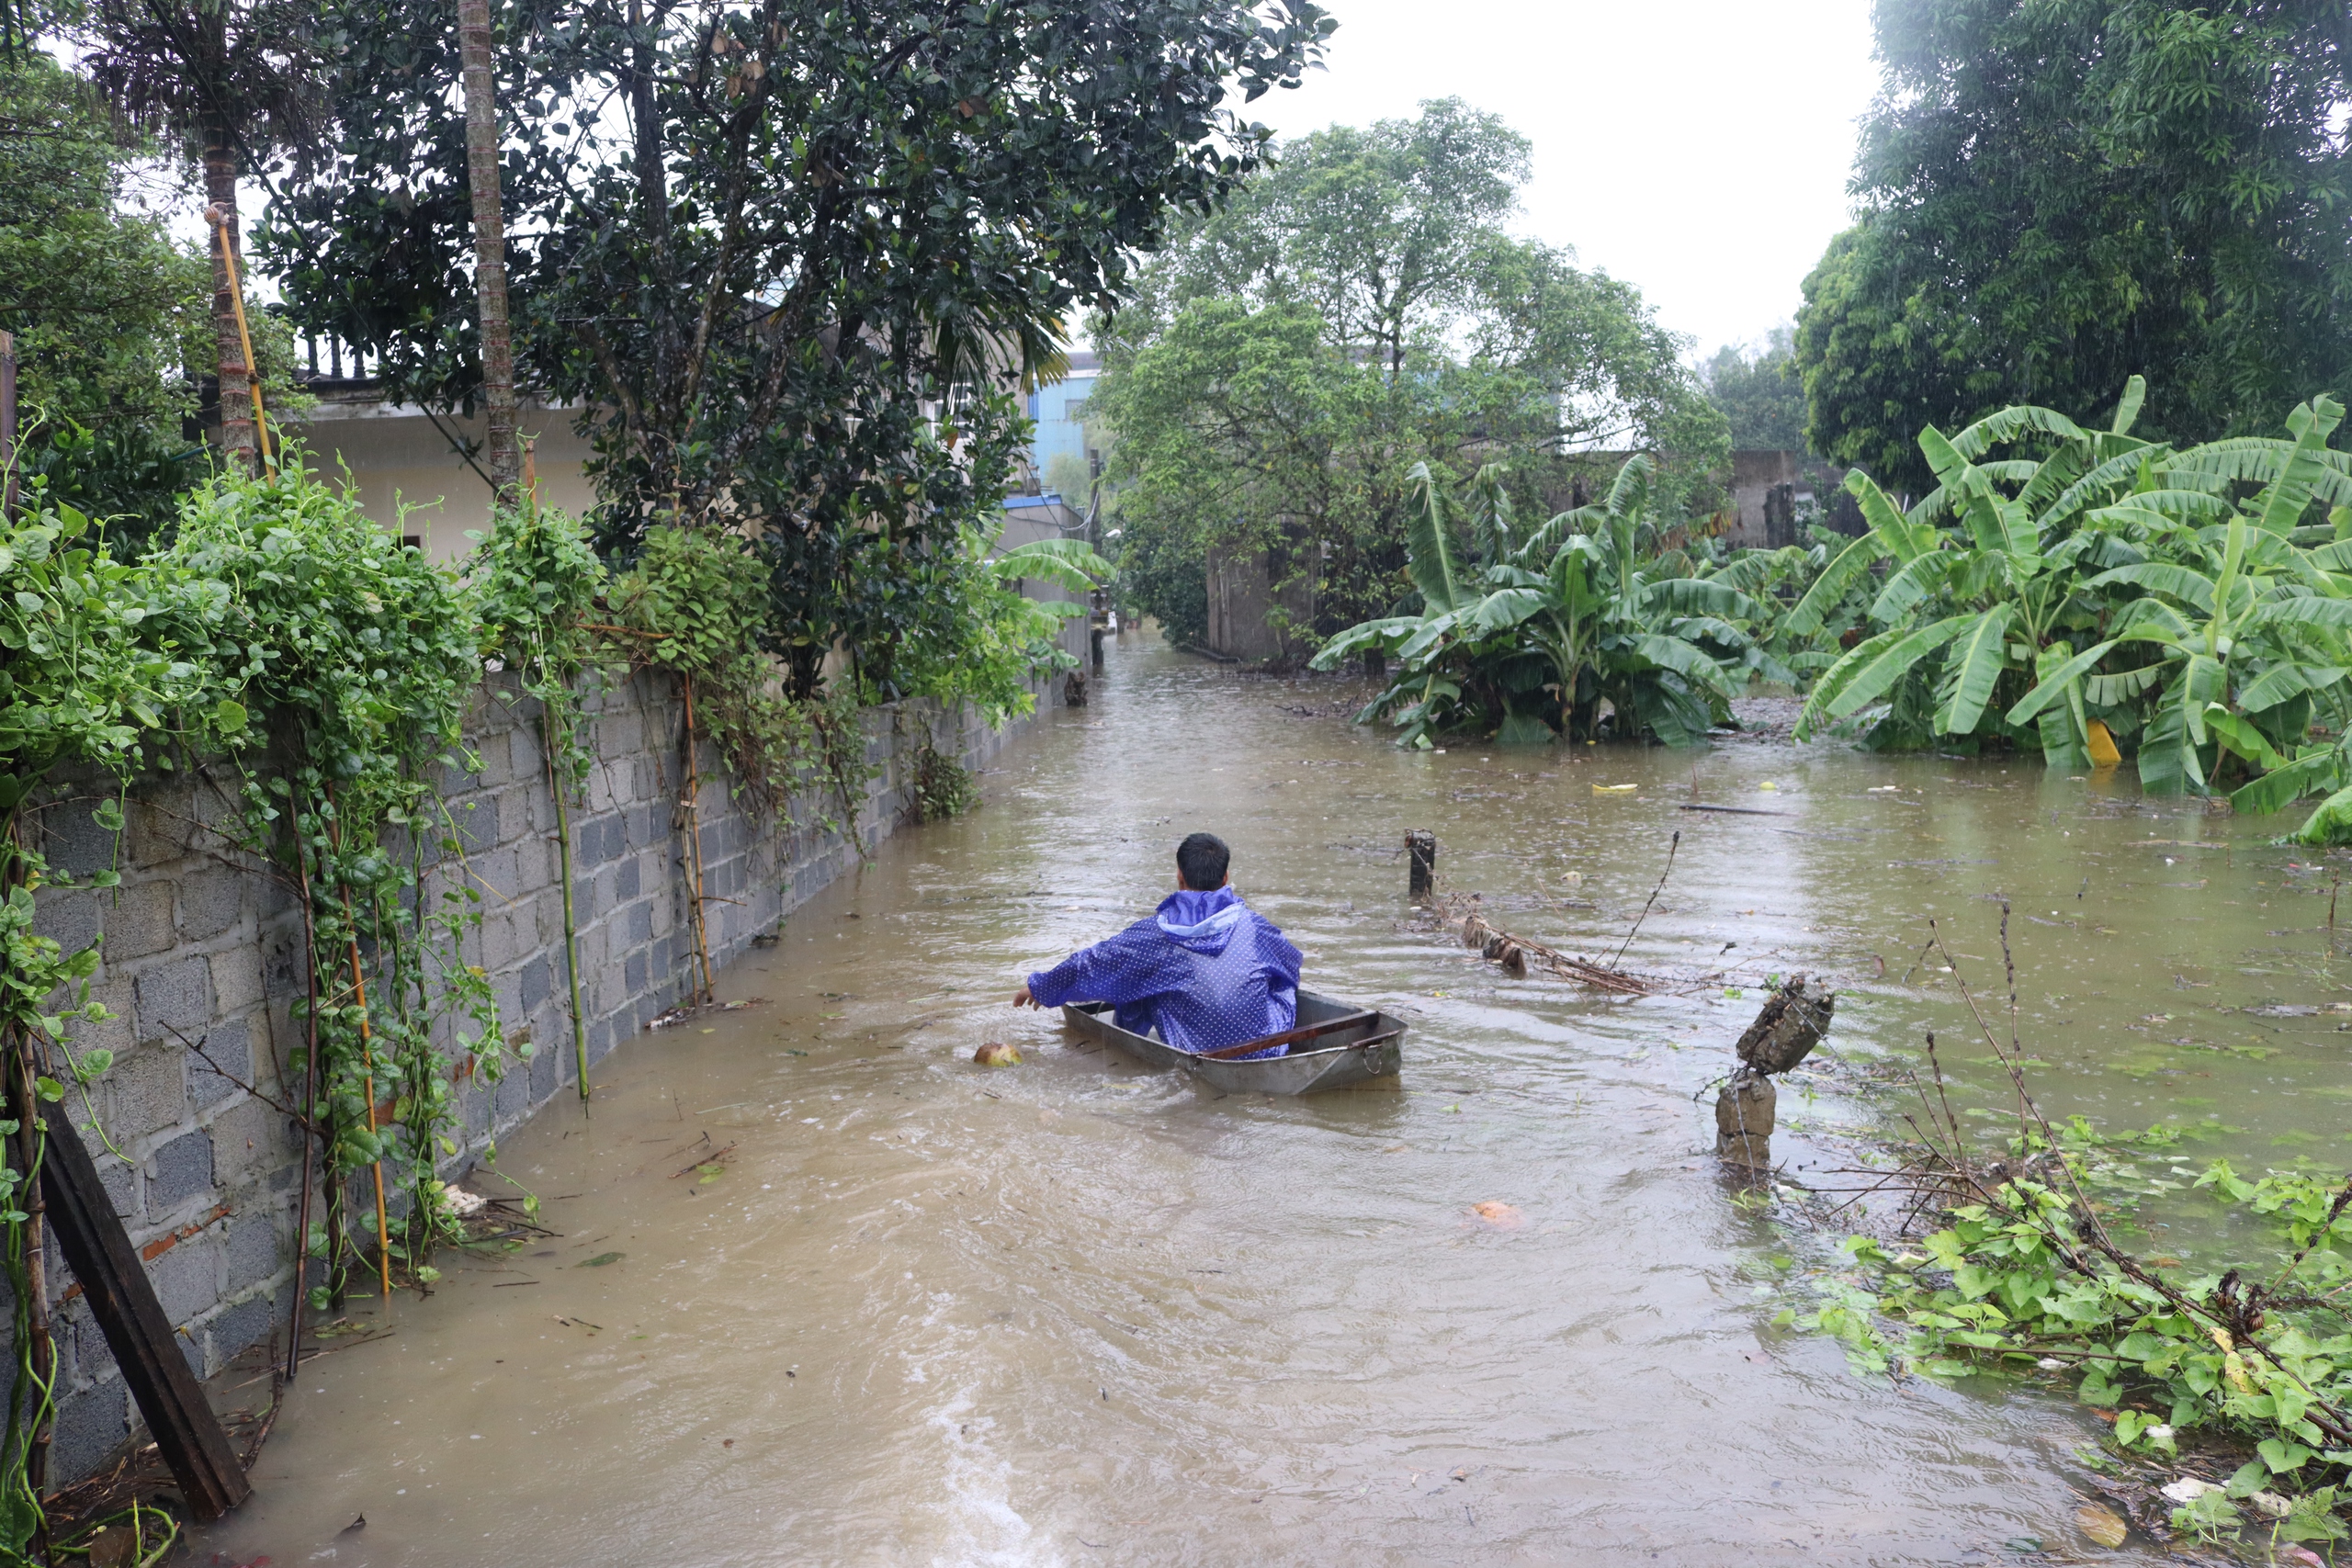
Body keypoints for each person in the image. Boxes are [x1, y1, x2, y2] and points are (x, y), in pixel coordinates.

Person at [1013, 832, 1302, 1055]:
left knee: (1137, 980)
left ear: (1180, 877)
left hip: (1197, 1048)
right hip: (1268, 1047)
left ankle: (1129, 1039)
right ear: (1225, 878)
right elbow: (1291, 965)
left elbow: (1097, 961)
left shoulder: (1154, 935)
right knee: (1280, 978)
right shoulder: (1256, 927)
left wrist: (1041, 986)